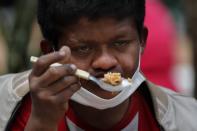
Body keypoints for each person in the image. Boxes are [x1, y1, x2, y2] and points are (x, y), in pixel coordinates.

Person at [0, 0, 197, 130]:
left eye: (120, 43)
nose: (105, 62)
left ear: (142, 41)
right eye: (83, 48)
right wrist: (42, 122)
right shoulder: (8, 109)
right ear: (49, 51)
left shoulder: (187, 120)